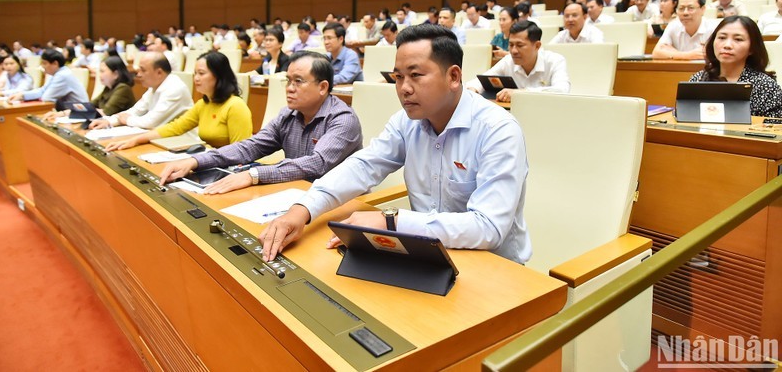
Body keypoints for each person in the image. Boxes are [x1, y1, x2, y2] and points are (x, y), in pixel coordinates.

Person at [257, 24, 531, 265]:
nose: (404, 88)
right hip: (427, 257)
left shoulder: (497, 130)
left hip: (492, 266)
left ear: (454, 77)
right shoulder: (406, 121)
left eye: (416, 75)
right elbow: (363, 166)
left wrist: (392, 220)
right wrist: (303, 209)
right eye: (398, 77)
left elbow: (489, 227)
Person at [159, 51, 363, 192]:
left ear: (323, 87)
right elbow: (250, 147)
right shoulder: (287, 115)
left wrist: (254, 175)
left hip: (339, 203)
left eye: (298, 81)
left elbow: (317, 164)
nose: (289, 88)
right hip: (295, 193)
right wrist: (195, 161)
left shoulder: (342, 119)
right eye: (288, 81)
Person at [105, 51, 252, 151]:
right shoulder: (204, 104)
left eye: (201, 73)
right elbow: (175, 127)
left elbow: (242, 152)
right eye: (195, 73)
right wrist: (136, 140)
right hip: (211, 160)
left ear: (219, 76)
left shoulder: (236, 107)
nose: (196, 78)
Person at [690, 16, 782, 119]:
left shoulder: (766, 86)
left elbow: (775, 128)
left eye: (738, 39)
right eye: (722, 38)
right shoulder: (699, 79)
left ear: (752, 48)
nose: (727, 45)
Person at [468, 20, 570, 101]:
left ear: (537, 46)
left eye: (520, 45)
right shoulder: (508, 61)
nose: (513, 51)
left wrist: (520, 93)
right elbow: (482, 79)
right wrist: (473, 89)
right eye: (511, 45)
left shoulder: (555, 61)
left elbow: (562, 90)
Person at [88, 52, 193, 130]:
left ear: (159, 73)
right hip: (162, 138)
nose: (138, 75)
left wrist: (127, 120)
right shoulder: (153, 88)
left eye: (143, 70)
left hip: (183, 143)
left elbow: (150, 122)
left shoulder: (174, 88)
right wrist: (108, 121)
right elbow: (135, 111)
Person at [8, 49, 88, 106]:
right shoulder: (56, 73)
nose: (42, 66)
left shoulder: (63, 75)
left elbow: (46, 97)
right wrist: (22, 95)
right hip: (68, 112)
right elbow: (43, 90)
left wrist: (24, 96)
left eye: (44, 63)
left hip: (80, 112)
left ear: (55, 63)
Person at [652, 0, 717, 60]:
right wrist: (688, 55)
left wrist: (673, 52)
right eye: (681, 8)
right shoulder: (673, 26)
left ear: (702, 9)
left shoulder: (713, 28)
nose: (685, 13)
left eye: (690, 8)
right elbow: (656, 53)